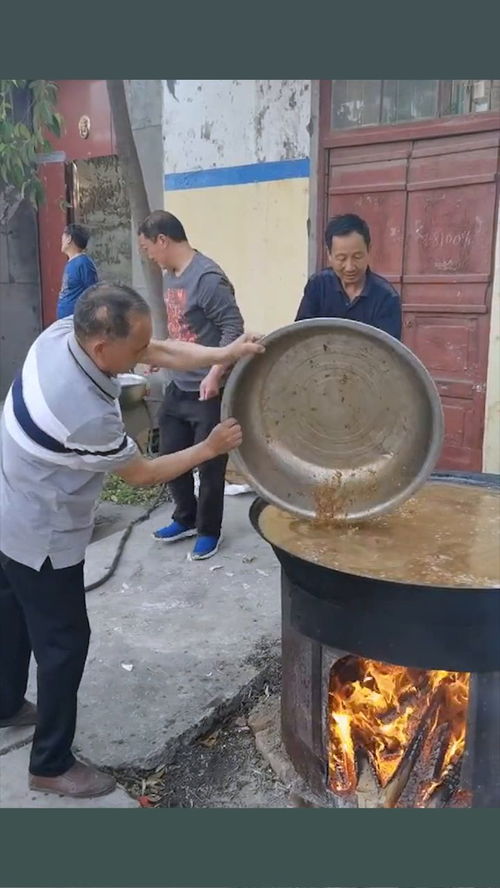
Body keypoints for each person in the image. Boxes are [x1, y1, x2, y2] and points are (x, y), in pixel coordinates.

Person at [0, 283, 263, 799]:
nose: (146, 355)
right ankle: (50, 762)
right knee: (63, 642)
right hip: (40, 528)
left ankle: (5, 703)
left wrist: (223, 353)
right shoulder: (82, 410)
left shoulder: (62, 335)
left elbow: (157, 349)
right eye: (135, 347)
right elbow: (142, 474)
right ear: (103, 348)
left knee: (10, 610)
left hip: (6, 494)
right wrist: (209, 446)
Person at [138, 210, 244, 561]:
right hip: (177, 385)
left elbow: (233, 329)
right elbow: (181, 330)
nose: (149, 256)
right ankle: (184, 518)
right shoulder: (172, 276)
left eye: (148, 247)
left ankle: (209, 530)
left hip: (207, 390)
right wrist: (164, 355)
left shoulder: (207, 278)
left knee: (209, 463)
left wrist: (215, 373)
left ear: (163, 240)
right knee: (171, 455)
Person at [295, 213, 402, 339]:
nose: (350, 267)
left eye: (357, 257)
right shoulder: (317, 286)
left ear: (369, 250)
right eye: (341, 258)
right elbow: (300, 336)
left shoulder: (386, 297)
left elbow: (388, 350)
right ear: (329, 255)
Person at [57, 223, 98, 319]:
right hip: (66, 321)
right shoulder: (71, 263)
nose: (61, 240)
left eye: (63, 236)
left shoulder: (83, 263)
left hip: (75, 321)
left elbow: (94, 292)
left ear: (69, 239)